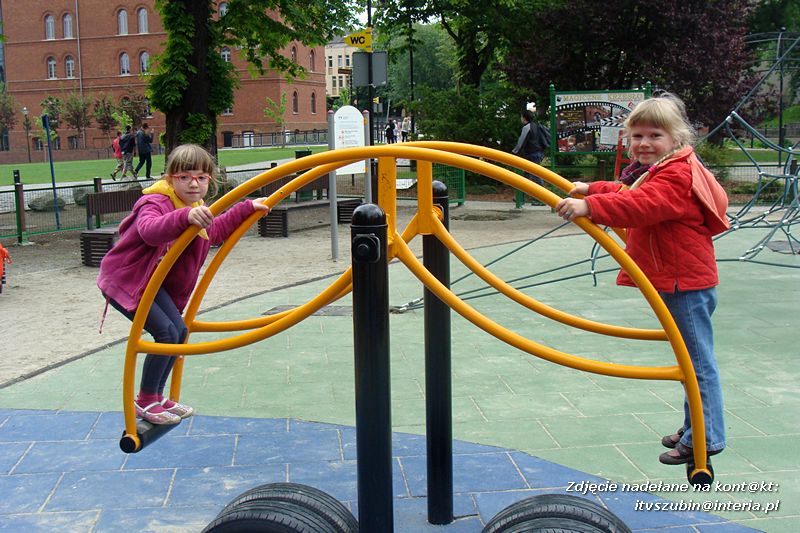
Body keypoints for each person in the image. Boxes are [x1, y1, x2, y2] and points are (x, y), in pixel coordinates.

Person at [555, 93, 730, 465]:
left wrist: (589, 206)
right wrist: (593, 189)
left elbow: (642, 205)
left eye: (655, 135)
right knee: (689, 360)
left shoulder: (677, 174)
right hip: (680, 278)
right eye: (637, 136)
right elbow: (631, 193)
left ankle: (708, 436)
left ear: (676, 138)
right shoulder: (663, 169)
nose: (644, 143)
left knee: (696, 363)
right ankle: (695, 425)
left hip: (685, 282)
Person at [97, 144, 270, 424]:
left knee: (178, 331)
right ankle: (145, 399)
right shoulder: (156, 202)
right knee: (166, 333)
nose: (193, 183)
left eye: (201, 177)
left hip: (151, 282)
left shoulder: (196, 207)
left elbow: (214, 231)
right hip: (127, 280)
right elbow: (149, 231)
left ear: (209, 180)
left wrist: (246, 208)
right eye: (185, 177)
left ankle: (156, 396)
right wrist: (184, 217)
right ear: (170, 179)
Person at [511, 110, 548, 186]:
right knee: (528, 174)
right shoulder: (536, 125)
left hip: (532, 154)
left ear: (524, 118)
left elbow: (521, 142)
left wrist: (514, 152)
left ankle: (541, 192)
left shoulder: (527, 127)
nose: (520, 118)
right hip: (539, 152)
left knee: (535, 175)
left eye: (521, 117)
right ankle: (524, 192)